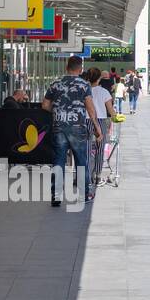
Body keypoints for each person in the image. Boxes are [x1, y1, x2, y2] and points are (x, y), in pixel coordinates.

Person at [44, 55, 101, 206]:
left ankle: (56, 195)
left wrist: (57, 112)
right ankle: (84, 194)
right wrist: (97, 128)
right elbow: (90, 108)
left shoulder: (55, 84)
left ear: (66, 67)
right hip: (78, 129)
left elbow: (45, 105)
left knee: (58, 161)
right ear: (80, 69)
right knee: (81, 161)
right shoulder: (84, 85)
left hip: (59, 127)